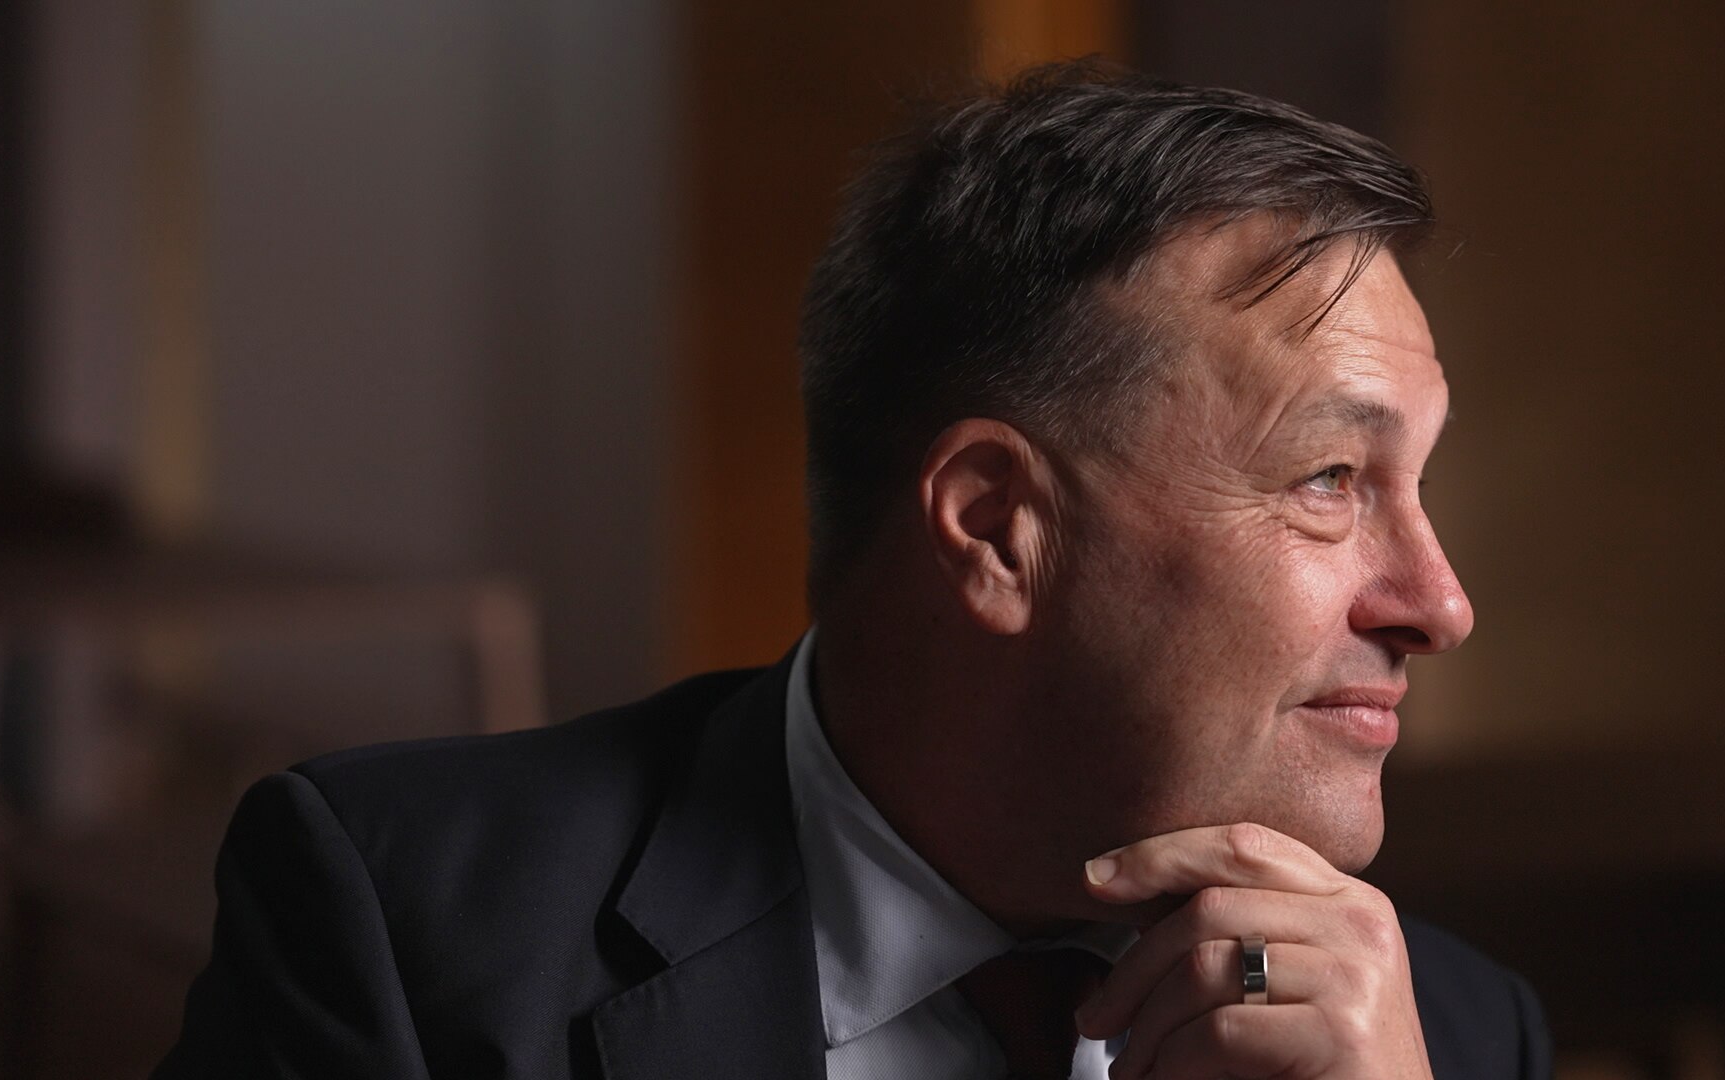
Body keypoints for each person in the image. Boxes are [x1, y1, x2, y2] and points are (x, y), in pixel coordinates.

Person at [155, 64, 1550, 1080]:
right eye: (1330, 481)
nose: (1439, 603)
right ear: (997, 528)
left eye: (1416, 486)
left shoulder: (1449, 1036)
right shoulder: (402, 930)